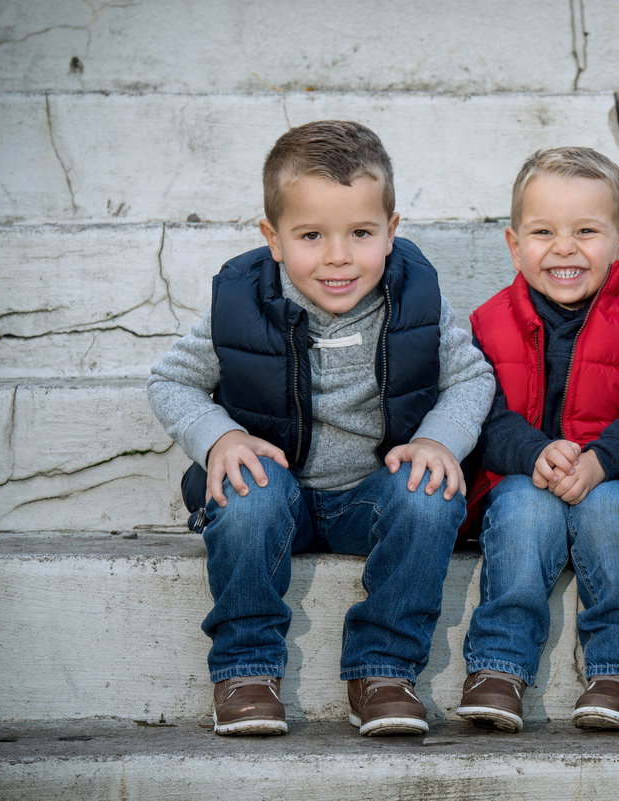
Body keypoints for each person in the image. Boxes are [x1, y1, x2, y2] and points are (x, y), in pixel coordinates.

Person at [148, 120, 494, 737]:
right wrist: (220, 439)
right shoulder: (241, 303)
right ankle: (247, 668)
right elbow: (171, 381)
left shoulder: (416, 300)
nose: (339, 256)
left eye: (361, 233)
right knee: (244, 493)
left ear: (392, 230)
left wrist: (438, 441)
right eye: (311, 235)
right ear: (273, 239)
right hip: (275, 489)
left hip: (371, 495)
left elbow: (471, 379)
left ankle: (384, 668)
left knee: (431, 492)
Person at [455, 147, 619, 733]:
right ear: (513, 242)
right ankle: (499, 667)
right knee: (524, 510)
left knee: (610, 512)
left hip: (612, 478)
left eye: (586, 231)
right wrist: (532, 453)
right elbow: (483, 415)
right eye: (543, 231)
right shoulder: (486, 324)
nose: (564, 248)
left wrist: (605, 459)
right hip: (523, 478)